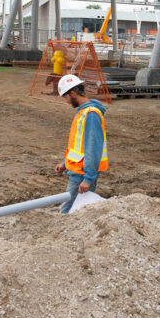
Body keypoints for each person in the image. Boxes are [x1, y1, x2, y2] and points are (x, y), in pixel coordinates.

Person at [54, 74, 108, 214]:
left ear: (73, 93)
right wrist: (65, 163)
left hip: (82, 174)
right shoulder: (83, 112)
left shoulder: (90, 114)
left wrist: (88, 179)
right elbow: (77, 146)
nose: (66, 101)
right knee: (74, 210)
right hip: (78, 171)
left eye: (65, 97)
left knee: (68, 211)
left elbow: (92, 148)